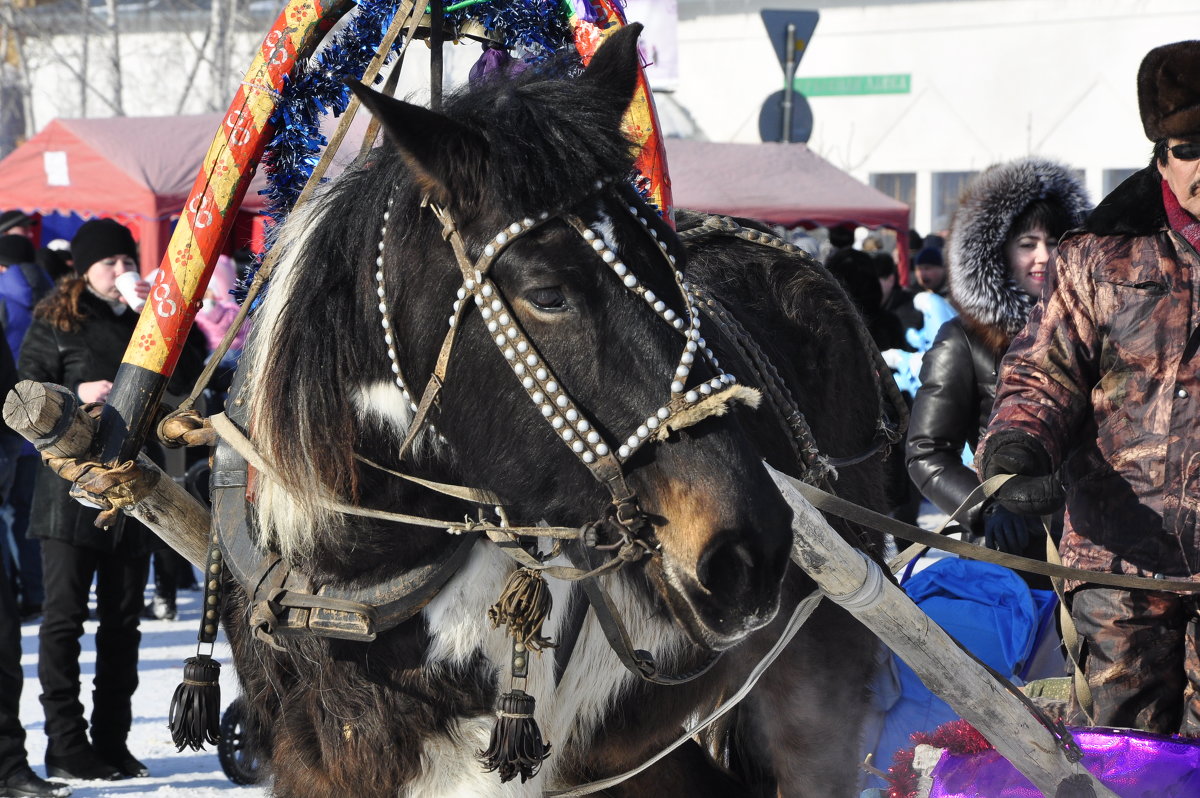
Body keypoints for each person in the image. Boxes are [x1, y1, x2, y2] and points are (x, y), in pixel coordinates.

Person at [977, 40, 1200, 735]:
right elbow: (1042, 369)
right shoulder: (1097, 254)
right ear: (1161, 154)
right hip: (1120, 561)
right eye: (1191, 146)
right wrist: (1017, 444)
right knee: (1127, 750)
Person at [18, 219, 205, 780]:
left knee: (123, 621)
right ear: (83, 268)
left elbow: (194, 375)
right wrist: (75, 393)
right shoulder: (56, 321)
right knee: (65, 619)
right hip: (64, 492)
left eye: (127, 261)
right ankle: (67, 746)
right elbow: (23, 389)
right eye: (110, 264)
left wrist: (171, 317)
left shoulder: (149, 320)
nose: (122, 271)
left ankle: (114, 742)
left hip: (132, 486)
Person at [908, 157, 1089, 570]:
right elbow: (927, 452)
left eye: (1056, 241)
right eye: (1027, 244)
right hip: (1010, 561)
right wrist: (986, 506)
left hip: (1103, 551)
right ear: (999, 253)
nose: (1044, 256)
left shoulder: (1101, 328)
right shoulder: (964, 339)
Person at [0, 235, 55, 621]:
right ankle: (38, 593)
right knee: (28, 514)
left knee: (6, 517)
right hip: (43, 420)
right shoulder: (53, 295)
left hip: (5, 420)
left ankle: (11, 594)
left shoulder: (1, 297)